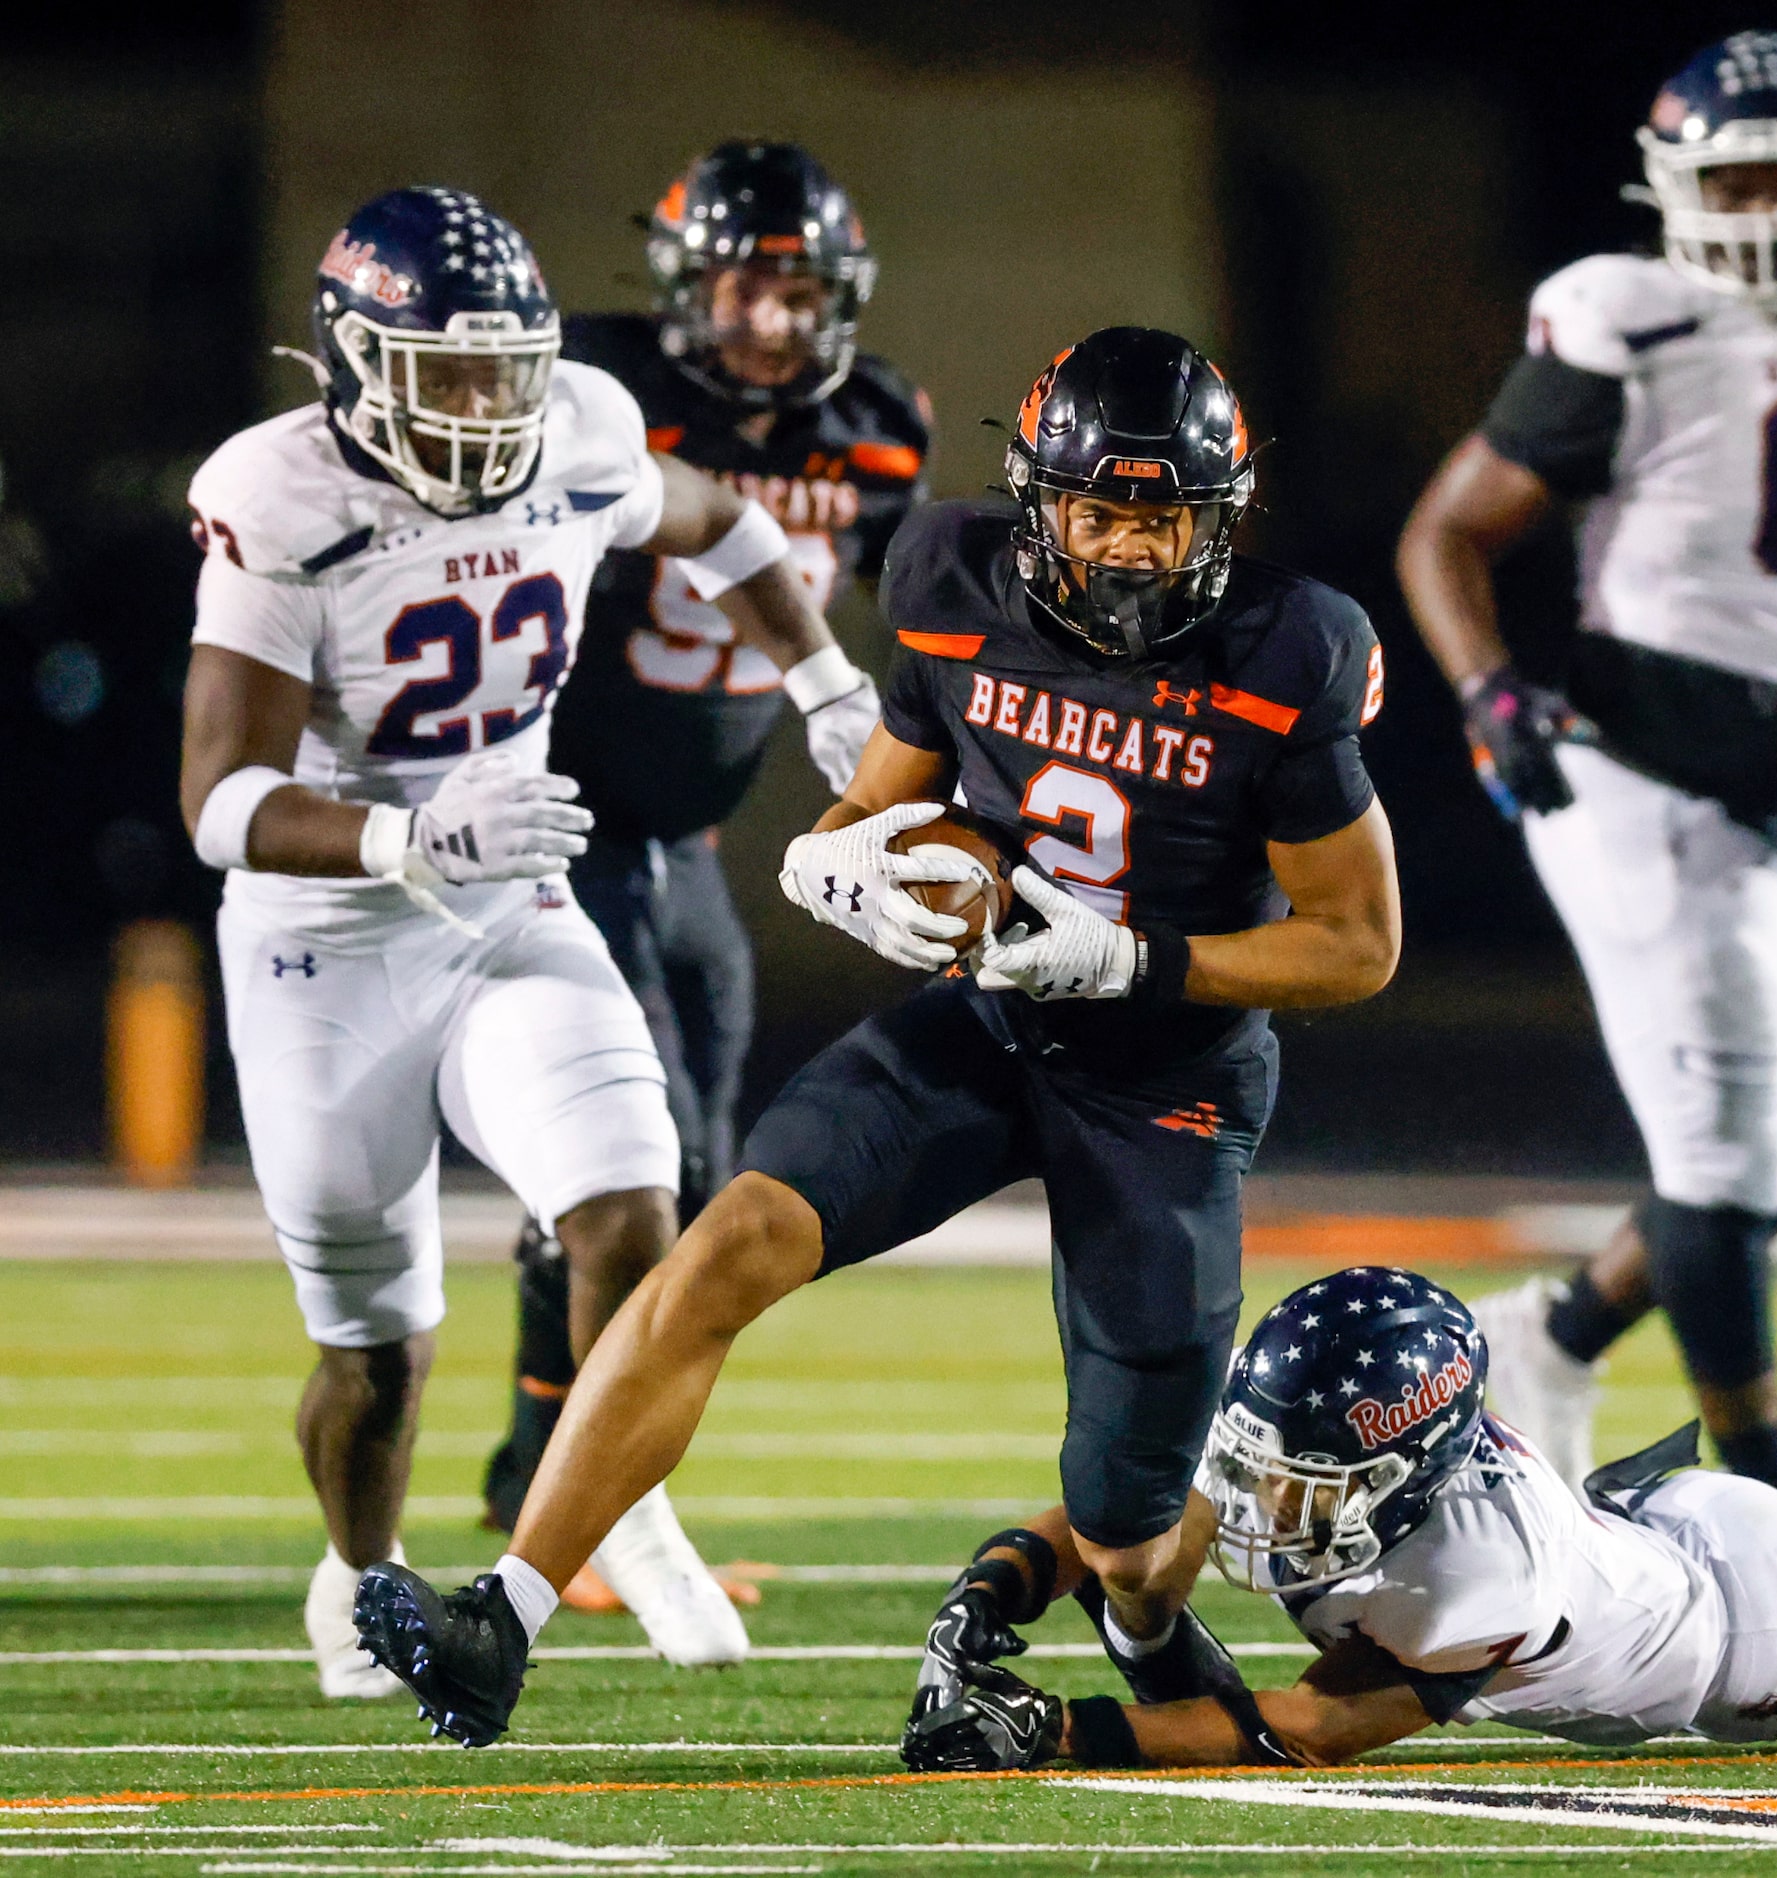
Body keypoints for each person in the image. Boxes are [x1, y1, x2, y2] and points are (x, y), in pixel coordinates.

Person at [353, 327, 1403, 1749]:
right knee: (725, 1242)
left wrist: (1141, 958)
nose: (1132, 551)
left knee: (1127, 1523)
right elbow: (885, 804)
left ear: (1218, 521)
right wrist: (834, 860)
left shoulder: (1293, 647)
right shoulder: (952, 577)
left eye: (1164, 519)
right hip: (990, 1019)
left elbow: (1356, 942)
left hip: (1170, 1078)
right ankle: (504, 1615)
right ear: (1040, 504)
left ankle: (1145, 1619)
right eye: (1102, 512)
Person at [177, 187, 873, 1694]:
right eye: (451, 372)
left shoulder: (583, 432)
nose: (489, 407)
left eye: (508, 369)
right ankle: (357, 1572)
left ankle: (616, 1504)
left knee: (632, 1200)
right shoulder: (282, 491)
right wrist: (402, 836)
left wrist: (821, 679)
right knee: (379, 1350)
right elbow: (220, 798)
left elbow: (728, 523)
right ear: (357, 360)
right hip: (327, 936)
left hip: (508, 906)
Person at [1397, 30, 1777, 1500]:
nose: (1769, 211)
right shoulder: (1622, 327)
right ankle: (1766, 1496)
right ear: (1674, 188)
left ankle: (1558, 1331)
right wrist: (1487, 695)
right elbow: (1447, 530)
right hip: (1632, 768)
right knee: (1721, 1157)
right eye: (1740, 179)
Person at [477, 141, 926, 1557]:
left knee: (706, 1166)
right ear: (682, 285)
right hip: (565, 819)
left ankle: (545, 1474)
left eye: (798, 293)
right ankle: (571, 1501)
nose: (773, 322)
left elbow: (914, 614)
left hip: (685, 839)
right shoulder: (602, 388)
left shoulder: (879, 428)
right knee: (638, 1169)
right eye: (744, 287)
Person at [893, 1266, 1777, 1773]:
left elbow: (1308, 1728)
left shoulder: (1473, 1570)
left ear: (1405, 1465)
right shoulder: (1311, 1432)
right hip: (1675, 1540)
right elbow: (1120, 1522)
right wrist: (985, 1594)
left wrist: (1057, 1731)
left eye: (1305, 1480)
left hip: (1758, 1629)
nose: (1263, 1502)